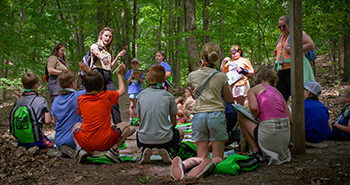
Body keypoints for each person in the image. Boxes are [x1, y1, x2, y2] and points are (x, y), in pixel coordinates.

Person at [171, 42, 233, 180]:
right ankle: (209, 163)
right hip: (216, 115)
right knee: (217, 157)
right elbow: (229, 99)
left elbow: (193, 95)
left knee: (200, 156)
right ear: (217, 58)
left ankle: (184, 164)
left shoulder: (193, 75)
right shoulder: (221, 76)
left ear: (201, 56)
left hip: (198, 116)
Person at [72, 63, 131, 164]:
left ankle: (79, 149)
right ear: (102, 86)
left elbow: (91, 82)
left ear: (85, 86)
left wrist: (88, 73)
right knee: (126, 126)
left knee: (76, 126)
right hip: (105, 142)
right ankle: (113, 150)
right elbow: (122, 91)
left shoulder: (81, 99)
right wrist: (119, 74)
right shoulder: (107, 96)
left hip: (86, 142)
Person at [236, 69, 294, 166]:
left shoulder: (253, 90)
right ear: (274, 80)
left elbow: (254, 108)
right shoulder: (278, 93)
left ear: (257, 80)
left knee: (241, 115)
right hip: (284, 139)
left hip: (268, 134)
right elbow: (291, 121)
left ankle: (256, 150)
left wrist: (254, 117)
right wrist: (288, 143)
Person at [136, 65, 184, 164]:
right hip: (165, 138)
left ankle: (145, 149)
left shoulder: (141, 95)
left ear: (148, 78)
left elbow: (140, 120)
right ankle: (167, 149)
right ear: (164, 79)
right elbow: (174, 123)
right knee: (180, 132)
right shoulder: (169, 96)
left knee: (139, 131)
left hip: (144, 138)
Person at [11, 73, 60, 156]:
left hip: (20, 139)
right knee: (54, 147)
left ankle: (24, 147)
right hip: (35, 138)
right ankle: (37, 151)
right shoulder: (41, 100)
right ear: (35, 86)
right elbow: (48, 121)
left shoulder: (18, 101)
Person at [273, 15, 315, 102]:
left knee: (297, 95)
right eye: (279, 27)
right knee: (279, 96)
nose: (281, 28)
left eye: (284, 26)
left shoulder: (298, 33)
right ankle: (282, 114)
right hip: (282, 69)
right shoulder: (281, 37)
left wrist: (294, 49)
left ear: (290, 24)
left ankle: (298, 114)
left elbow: (310, 45)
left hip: (294, 68)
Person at [91, 27, 126, 125]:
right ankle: (99, 125)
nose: (107, 38)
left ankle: (119, 126)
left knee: (113, 100)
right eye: (106, 36)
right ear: (101, 36)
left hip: (108, 76)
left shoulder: (108, 52)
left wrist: (118, 56)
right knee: (99, 101)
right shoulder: (95, 46)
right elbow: (96, 53)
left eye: (110, 37)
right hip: (98, 75)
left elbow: (110, 66)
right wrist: (102, 58)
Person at [51, 70, 86, 158]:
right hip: (74, 139)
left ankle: (64, 148)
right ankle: (75, 149)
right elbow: (95, 87)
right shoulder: (79, 96)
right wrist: (87, 72)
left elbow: (55, 122)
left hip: (59, 139)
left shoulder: (56, 101)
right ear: (73, 83)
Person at [303, 81, 331, 147]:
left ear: (308, 93)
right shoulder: (323, 107)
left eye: (304, 90)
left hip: (308, 137)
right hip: (322, 137)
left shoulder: (302, 106)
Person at [125, 58, 144, 125]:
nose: (135, 65)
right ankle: (130, 119)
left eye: (136, 63)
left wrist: (138, 76)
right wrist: (132, 74)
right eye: (133, 63)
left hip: (138, 90)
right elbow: (128, 81)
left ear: (138, 64)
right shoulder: (128, 72)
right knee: (132, 105)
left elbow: (141, 81)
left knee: (139, 105)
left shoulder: (140, 72)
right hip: (131, 90)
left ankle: (139, 119)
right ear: (131, 64)